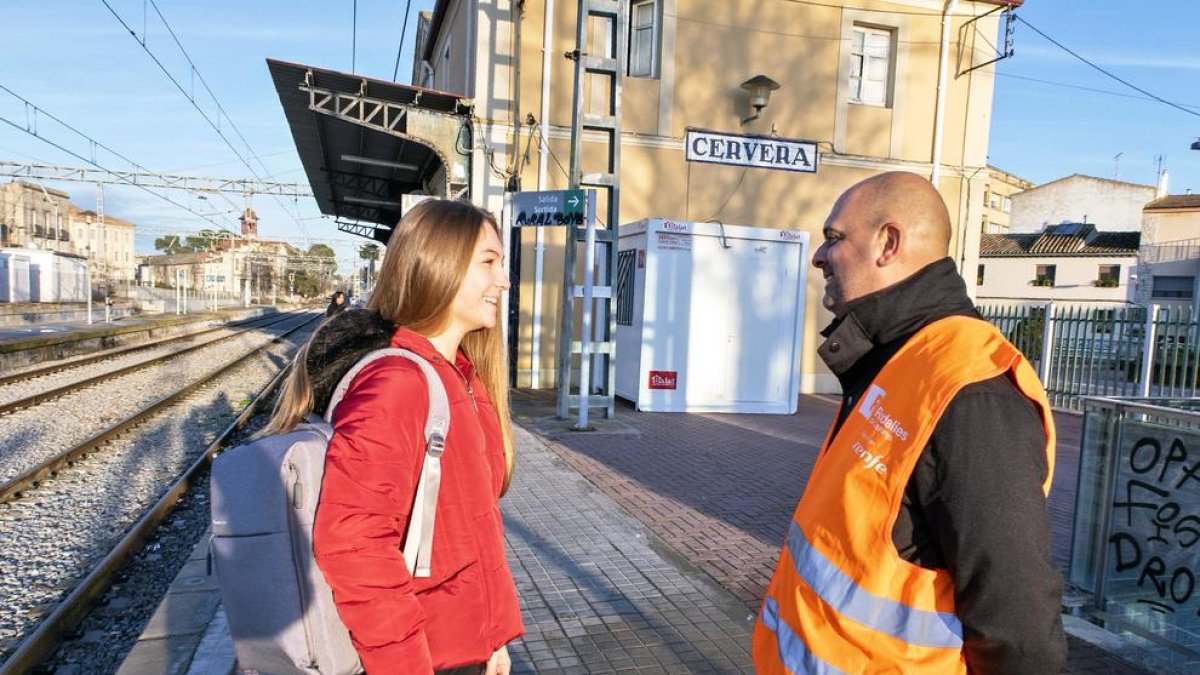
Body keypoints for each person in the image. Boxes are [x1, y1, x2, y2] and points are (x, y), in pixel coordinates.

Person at [752, 172, 1066, 674]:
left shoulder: (971, 390)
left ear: (888, 242)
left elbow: (1017, 619)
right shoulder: (893, 357)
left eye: (834, 238)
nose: (819, 256)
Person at [265, 199, 522, 674]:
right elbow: (355, 546)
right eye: (489, 262)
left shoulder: (461, 375)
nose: (503, 280)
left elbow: (468, 532)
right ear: (438, 266)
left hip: (465, 647)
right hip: (424, 656)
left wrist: (493, 640)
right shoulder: (400, 385)